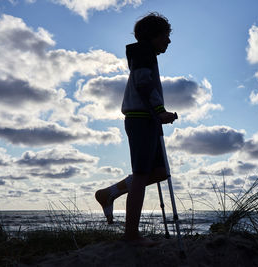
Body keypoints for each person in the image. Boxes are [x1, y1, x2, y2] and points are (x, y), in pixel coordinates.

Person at [95, 12, 176, 247]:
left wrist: (158, 113)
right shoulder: (143, 52)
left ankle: (110, 192)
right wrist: (160, 110)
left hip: (148, 118)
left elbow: (145, 83)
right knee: (141, 174)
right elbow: (142, 83)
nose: (168, 41)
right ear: (153, 36)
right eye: (165, 36)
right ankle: (131, 234)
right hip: (141, 118)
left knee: (160, 171)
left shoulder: (146, 53)